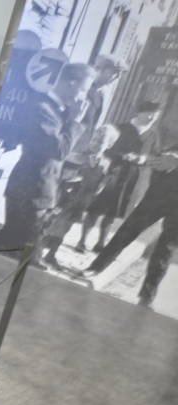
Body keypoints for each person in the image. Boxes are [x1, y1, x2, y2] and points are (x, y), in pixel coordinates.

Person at [0, 63, 96, 252]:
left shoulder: (59, 112)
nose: (84, 98)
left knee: (13, 240)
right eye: (83, 90)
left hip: (39, 190)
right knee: (24, 245)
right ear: (70, 83)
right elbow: (60, 150)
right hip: (30, 190)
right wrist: (74, 122)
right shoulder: (43, 110)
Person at [83, 109, 178, 309]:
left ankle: (146, 297)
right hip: (160, 195)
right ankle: (96, 268)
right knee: (128, 231)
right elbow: (165, 155)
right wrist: (162, 162)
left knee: (166, 249)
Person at [79, 101, 161, 252]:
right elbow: (104, 150)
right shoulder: (120, 128)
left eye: (155, 115)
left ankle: (101, 243)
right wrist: (123, 156)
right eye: (149, 114)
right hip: (111, 173)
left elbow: (154, 155)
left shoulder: (152, 135)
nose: (152, 118)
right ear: (138, 113)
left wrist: (143, 159)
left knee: (112, 212)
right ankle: (82, 241)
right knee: (96, 209)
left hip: (130, 178)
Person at [39, 124, 120, 269]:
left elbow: (104, 178)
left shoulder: (106, 163)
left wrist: (101, 184)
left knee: (66, 226)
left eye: (100, 142)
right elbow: (66, 175)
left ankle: (51, 254)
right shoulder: (79, 157)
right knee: (51, 223)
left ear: (109, 145)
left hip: (82, 201)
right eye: (94, 140)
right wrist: (77, 176)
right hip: (65, 198)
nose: (95, 144)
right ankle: (36, 252)